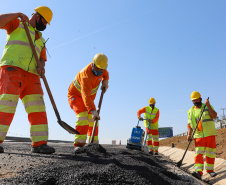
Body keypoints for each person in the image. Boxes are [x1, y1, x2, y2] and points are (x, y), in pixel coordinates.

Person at [0, 6, 55, 154]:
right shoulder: (17, 24)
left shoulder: (40, 39)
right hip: (13, 69)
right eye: (44, 22)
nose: (44, 26)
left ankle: (39, 144)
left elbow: (42, 59)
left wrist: (42, 68)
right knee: (6, 105)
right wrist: (17, 15)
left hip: (32, 76)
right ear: (37, 17)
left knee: (38, 108)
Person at [68, 53, 109, 152]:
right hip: (76, 97)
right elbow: (85, 96)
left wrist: (105, 82)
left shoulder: (102, 69)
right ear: (93, 64)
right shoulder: (86, 75)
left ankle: (94, 144)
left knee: (93, 120)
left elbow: (106, 74)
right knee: (83, 116)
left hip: (88, 100)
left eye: (101, 70)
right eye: (98, 68)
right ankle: (79, 145)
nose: (99, 71)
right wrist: (93, 110)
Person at [187, 91, 217, 179]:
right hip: (198, 136)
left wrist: (208, 105)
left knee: (210, 154)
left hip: (210, 134)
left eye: (197, 100)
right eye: (193, 100)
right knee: (198, 154)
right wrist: (189, 134)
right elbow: (189, 124)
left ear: (201, 99)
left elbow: (214, 115)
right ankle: (198, 172)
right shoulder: (191, 111)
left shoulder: (207, 107)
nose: (195, 102)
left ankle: (210, 170)